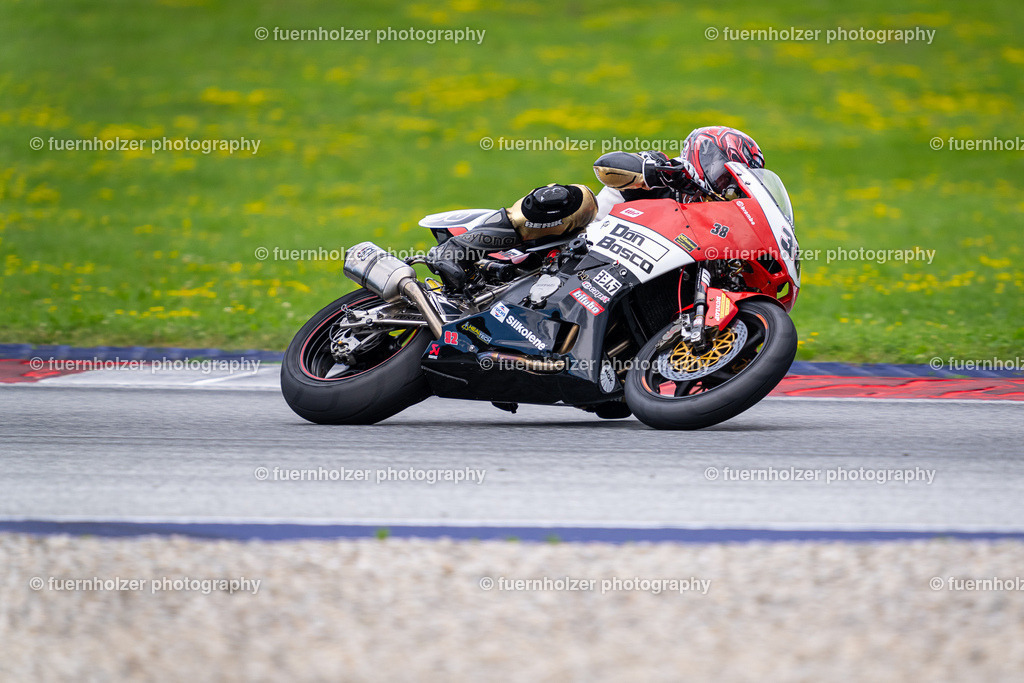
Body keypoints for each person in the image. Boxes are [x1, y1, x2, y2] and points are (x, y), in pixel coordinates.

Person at [426, 126, 765, 291]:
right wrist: (652, 171)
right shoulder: (667, 171)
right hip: (585, 241)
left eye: (739, 181)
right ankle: (458, 251)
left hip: (627, 278)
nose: (730, 186)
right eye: (728, 172)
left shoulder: (720, 217)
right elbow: (605, 166)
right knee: (574, 198)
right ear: (708, 157)